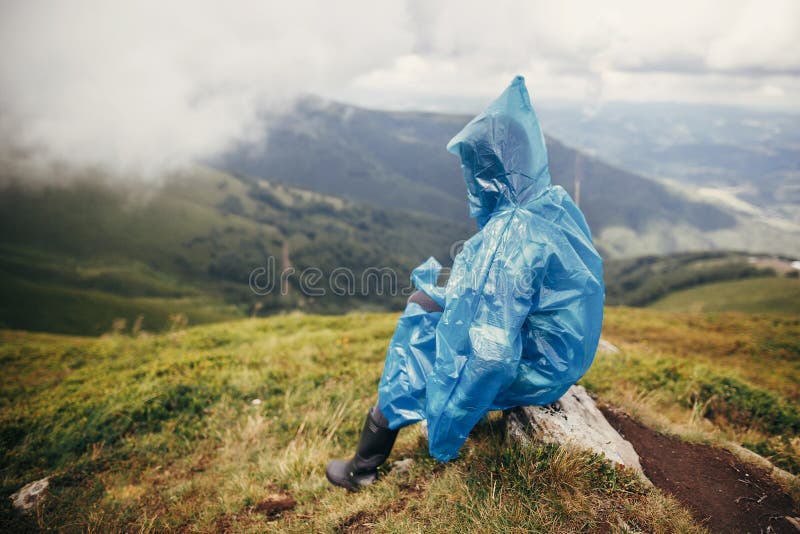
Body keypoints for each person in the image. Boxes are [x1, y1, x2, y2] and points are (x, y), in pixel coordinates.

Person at [326, 76, 605, 491]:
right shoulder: (549, 201)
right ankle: (371, 449)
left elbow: (492, 356)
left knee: (417, 331)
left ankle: (363, 467)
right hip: (563, 354)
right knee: (431, 298)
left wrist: (446, 429)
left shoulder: (512, 234)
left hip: (540, 366)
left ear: (488, 170)